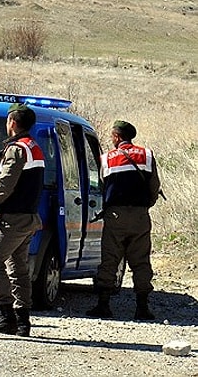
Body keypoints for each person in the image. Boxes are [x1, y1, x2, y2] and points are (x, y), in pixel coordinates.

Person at [87, 120, 161, 321]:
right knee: (141, 260)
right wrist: (146, 205)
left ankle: (103, 305)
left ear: (117, 137)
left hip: (115, 216)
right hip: (140, 216)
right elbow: (154, 185)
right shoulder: (147, 155)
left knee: (110, 259)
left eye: (112, 136)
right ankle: (142, 308)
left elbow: (102, 185)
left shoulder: (107, 158)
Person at [0, 103, 44, 337]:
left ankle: (5, 314)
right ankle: (22, 322)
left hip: (13, 219)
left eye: (8, 121)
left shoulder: (17, 149)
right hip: (28, 218)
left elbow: (5, 183)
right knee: (18, 268)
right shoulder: (34, 147)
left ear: (13, 123)